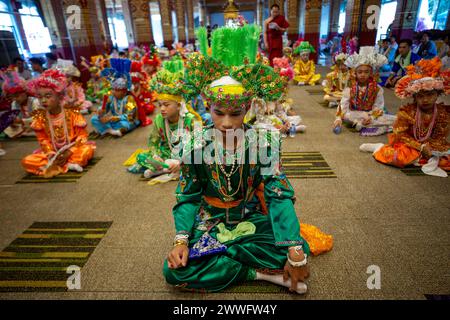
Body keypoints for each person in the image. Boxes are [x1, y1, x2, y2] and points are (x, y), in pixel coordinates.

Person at [163, 24, 332, 295]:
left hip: (250, 214)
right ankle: (260, 274)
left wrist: (295, 252)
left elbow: (278, 196)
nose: (227, 123)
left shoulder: (263, 142)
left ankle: (232, 262)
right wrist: (181, 239)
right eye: (219, 113)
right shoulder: (194, 143)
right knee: (174, 271)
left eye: (236, 113)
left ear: (248, 107)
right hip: (210, 219)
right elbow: (188, 196)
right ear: (207, 106)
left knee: (292, 248)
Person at [360, 57, 449, 177]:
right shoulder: (407, 112)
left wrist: (432, 149)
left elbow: (440, 136)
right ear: (414, 97)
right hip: (409, 144)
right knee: (400, 158)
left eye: (430, 95)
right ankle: (379, 148)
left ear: (437, 94)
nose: (426, 100)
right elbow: (401, 135)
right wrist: (421, 146)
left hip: (431, 145)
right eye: (421, 96)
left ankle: (422, 159)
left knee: (445, 160)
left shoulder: (442, 112)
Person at [126, 60, 196, 183]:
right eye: (160, 105)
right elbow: (153, 141)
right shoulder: (159, 119)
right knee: (142, 157)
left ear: (179, 105)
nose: (162, 109)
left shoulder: (189, 119)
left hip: (184, 154)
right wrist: (155, 154)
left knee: (198, 161)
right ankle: (165, 168)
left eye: (166, 105)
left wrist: (181, 161)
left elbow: (196, 145)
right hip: (166, 153)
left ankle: (167, 169)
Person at [21, 69, 95, 177]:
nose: (43, 101)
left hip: (73, 150)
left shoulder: (72, 113)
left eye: (48, 96)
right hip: (53, 152)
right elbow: (43, 140)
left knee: (86, 151)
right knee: (27, 161)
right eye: (40, 97)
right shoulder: (40, 117)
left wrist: (69, 151)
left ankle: (59, 165)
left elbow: (82, 137)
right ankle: (67, 165)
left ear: (60, 96)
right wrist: (50, 153)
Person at [334, 47, 396, 136]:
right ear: (355, 73)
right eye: (360, 72)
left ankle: (362, 125)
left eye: (366, 72)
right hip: (354, 114)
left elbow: (378, 107)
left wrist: (371, 117)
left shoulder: (377, 88)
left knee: (395, 119)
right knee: (346, 116)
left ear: (371, 73)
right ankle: (367, 126)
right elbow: (343, 105)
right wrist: (338, 119)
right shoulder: (350, 88)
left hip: (371, 115)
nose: (363, 75)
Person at [91, 58, 140, 137]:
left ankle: (110, 130)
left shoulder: (129, 99)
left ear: (124, 91)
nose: (113, 92)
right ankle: (111, 130)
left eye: (117, 90)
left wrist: (111, 118)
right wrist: (101, 111)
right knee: (94, 119)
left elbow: (129, 116)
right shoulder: (111, 98)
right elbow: (105, 109)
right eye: (113, 89)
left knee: (126, 124)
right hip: (114, 121)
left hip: (125, 121)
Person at [0, 71, 40, 138]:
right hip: (24, 127)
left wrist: (21, 121)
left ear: (25, 92)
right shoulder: (14, 103)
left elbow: (39, 118)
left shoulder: (34, 101)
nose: (15, 99)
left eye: (17, 96)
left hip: (35, 125)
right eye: (12, 97)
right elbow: (16, 119)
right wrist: (13, 123)